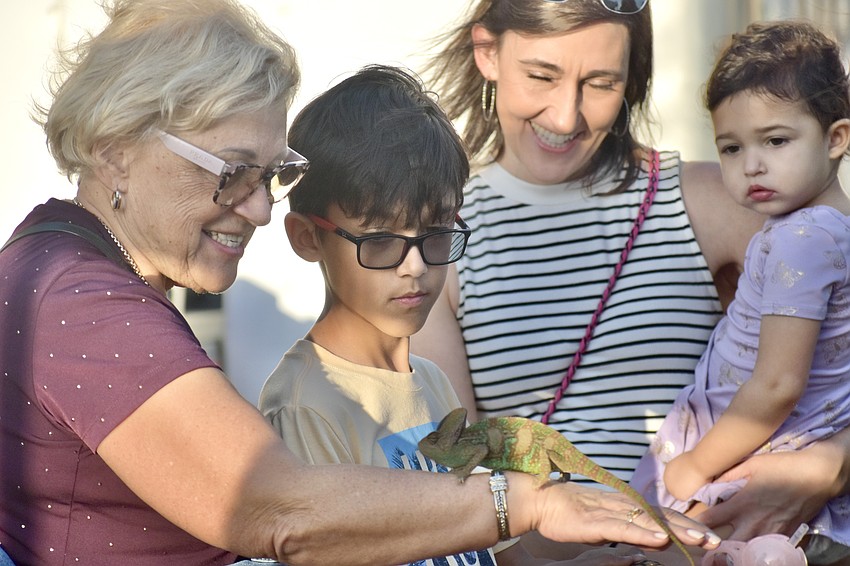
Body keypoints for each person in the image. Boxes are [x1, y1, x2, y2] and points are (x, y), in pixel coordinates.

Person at [0, 1, 722, 564]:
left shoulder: (72, 271)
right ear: (113, 150)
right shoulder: (82, 306)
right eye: (231, 172)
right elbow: (280, 510)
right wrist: (523, 503)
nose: (257, 207)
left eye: (272, 175)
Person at [412, 0, 850, 562]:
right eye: (541, 76)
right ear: (487, 53)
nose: (566, 116)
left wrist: (834, 462)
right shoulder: (437, 240)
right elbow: (458, 479)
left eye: (600, 83)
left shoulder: (715, 199)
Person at [259, 64, 650, 566]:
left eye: (436, 235)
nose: (416, 268)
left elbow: (500, 558)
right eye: (381, 241)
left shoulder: (433, 382)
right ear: (307, 237)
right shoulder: (307, 405)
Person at [630, 20, 850, 564]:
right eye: (730, 148)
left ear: (837, 137)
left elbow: (776, 384)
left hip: (745, 458)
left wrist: (693, 467)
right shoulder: (827, 230)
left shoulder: (802, 238)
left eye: (776, 141)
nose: (751, 164)